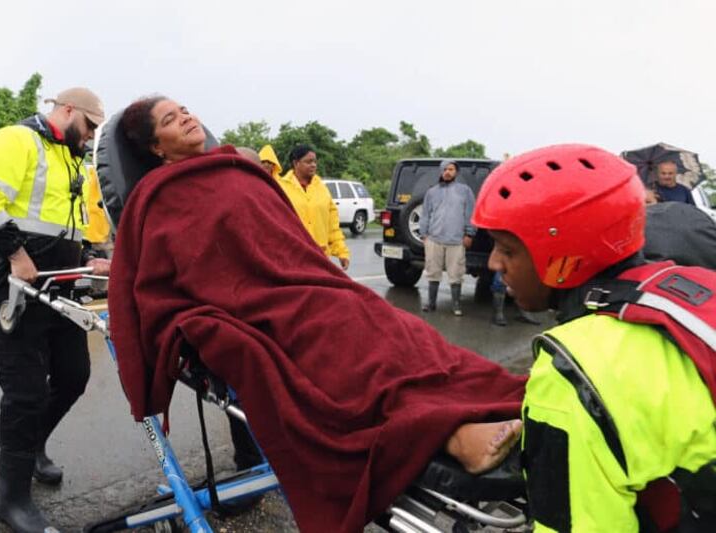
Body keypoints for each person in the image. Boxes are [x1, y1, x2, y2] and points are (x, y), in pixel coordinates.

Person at [108, 96, 526, 533]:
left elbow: (286, 237)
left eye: (186, 110)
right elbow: (158, 271)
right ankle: (451, 434)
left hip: (308, 280)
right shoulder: (156, 198)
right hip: (251, 303)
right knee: (335, 342)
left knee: (388, 322)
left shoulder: (239, 167)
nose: (187, 119)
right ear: (157, 148)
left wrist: (320, 275)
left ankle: (473, 400)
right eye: (171, 120)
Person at [472, 144, 716, 532]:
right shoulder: (693, 284)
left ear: (561, 255)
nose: (493, 264)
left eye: (507, 249)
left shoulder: (573, 373)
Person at [0, 87, 110, 533]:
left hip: (56, 286)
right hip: (8, 285)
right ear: (67, 110)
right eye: (88, 127)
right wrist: (15, 253)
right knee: (25, 392)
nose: (89, 138)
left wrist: (87, 257)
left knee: (73, 376)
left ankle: (35, 444)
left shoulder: (70, 159)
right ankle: (11, 499)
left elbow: (64, 223)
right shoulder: (14, 140)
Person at [278, 144, 350, 270]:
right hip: (292, 257)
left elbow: (332, 226)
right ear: (296, 163)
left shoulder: (322, 189)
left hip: (320, 257)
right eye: (308, 162)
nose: (313, 165)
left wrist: (342, 252)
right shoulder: (281, 188)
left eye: (315, 161)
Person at [419, 160, 476, 315]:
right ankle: (431, 304)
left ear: (456, 172)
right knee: (432, 271)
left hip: (456, 240)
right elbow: (425, 215)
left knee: (456, 273)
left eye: (451, 169)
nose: (447, 172)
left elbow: (470, 214)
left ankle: (456, 305)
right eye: (445, 169)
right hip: (434, 239)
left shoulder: (465, 191)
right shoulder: (432, 192)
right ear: (441, 172)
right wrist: (424, 235)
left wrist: (469, 233)